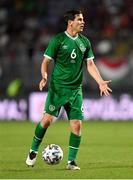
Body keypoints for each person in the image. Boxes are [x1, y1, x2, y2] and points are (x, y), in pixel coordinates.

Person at [26, 9, 112, 170]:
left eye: (83, 19)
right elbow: (46, 61)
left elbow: (90, 64)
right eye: (79, 19)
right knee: (46, 121)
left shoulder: (85, 42)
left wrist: (100, 81)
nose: (83, 22)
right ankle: (33, 150)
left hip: (75, 90)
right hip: (58, 88)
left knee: (77, 125)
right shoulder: (58, 40)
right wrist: (44, 76)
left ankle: (71, 162)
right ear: (70, 22)